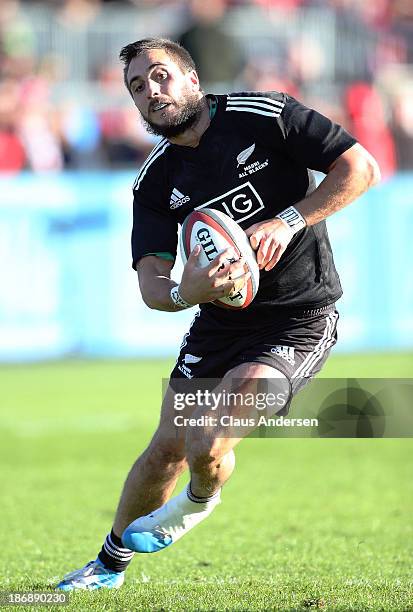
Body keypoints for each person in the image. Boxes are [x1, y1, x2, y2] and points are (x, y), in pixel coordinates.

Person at [57, 37, 380, 590]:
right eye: (137, 87)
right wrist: (189, 289)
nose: (150, 92)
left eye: (159, 76)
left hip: (298, 317)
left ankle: (197, 502)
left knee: (209, 440)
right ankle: (107, 567)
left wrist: (289, 221)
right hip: (219, 322)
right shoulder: (156, 182)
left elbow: (361, 169)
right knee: (166, 448)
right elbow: (153, 287)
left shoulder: (267, 116)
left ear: (192, 79)